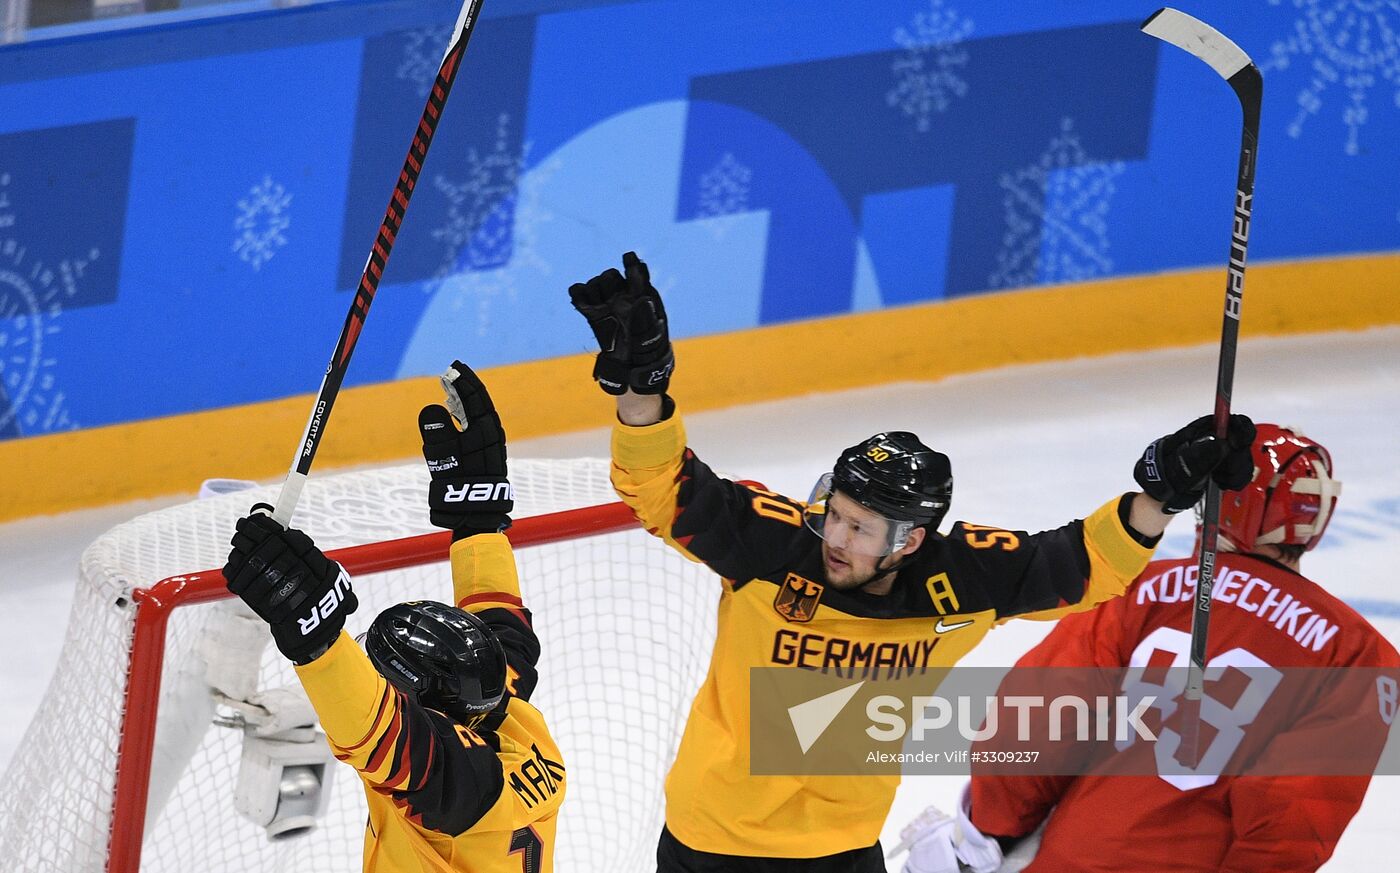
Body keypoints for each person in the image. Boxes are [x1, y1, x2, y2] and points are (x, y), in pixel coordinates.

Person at [566, 252, 1256, 871]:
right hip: (714, 848)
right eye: (835, 513)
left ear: (912, 541)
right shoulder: (774, 545)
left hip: (845, 849)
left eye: (861, 528)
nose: (836, 538)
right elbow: (659, 487)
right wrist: (641, 389)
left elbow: (1084, 563)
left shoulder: (959, 581)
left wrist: (1161, 495)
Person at [896, 424, 1400, 873]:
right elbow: (1297, 808)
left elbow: (1039, 716)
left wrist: (987, 833)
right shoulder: (1362, 655)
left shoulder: (1143, 588)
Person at [221, 362, 566, 872]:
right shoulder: (511, 720)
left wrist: (316, 638)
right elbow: (501, 631)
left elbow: (376, 732)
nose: (378, 685)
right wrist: (478, 522)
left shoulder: (463, 787)